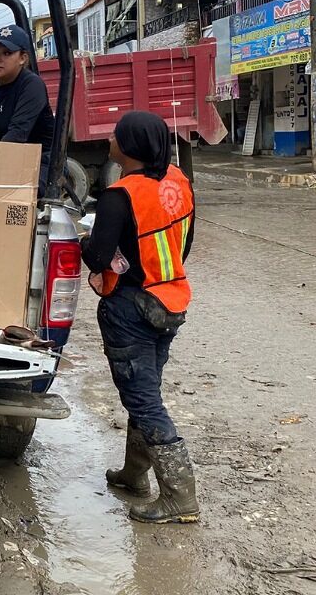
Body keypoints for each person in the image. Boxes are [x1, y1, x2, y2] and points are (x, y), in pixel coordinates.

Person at [83, 110, 198, 524]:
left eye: (114, 136)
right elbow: (184, 243)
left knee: (144, 401)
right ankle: (134, 475)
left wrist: (86, 243)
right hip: (169, 300)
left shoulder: (119, 195)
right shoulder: (179, 182)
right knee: (146, 388)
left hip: (129, 307)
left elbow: (97, 258)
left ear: (127, 147)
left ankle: (180, 498)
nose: (109, 140)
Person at [0, 24, 56, 196]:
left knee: (9, 195)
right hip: (0, 160)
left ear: (22, 58)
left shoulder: (32, 85)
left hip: (35, 163)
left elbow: (16, 136)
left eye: (6, 53)